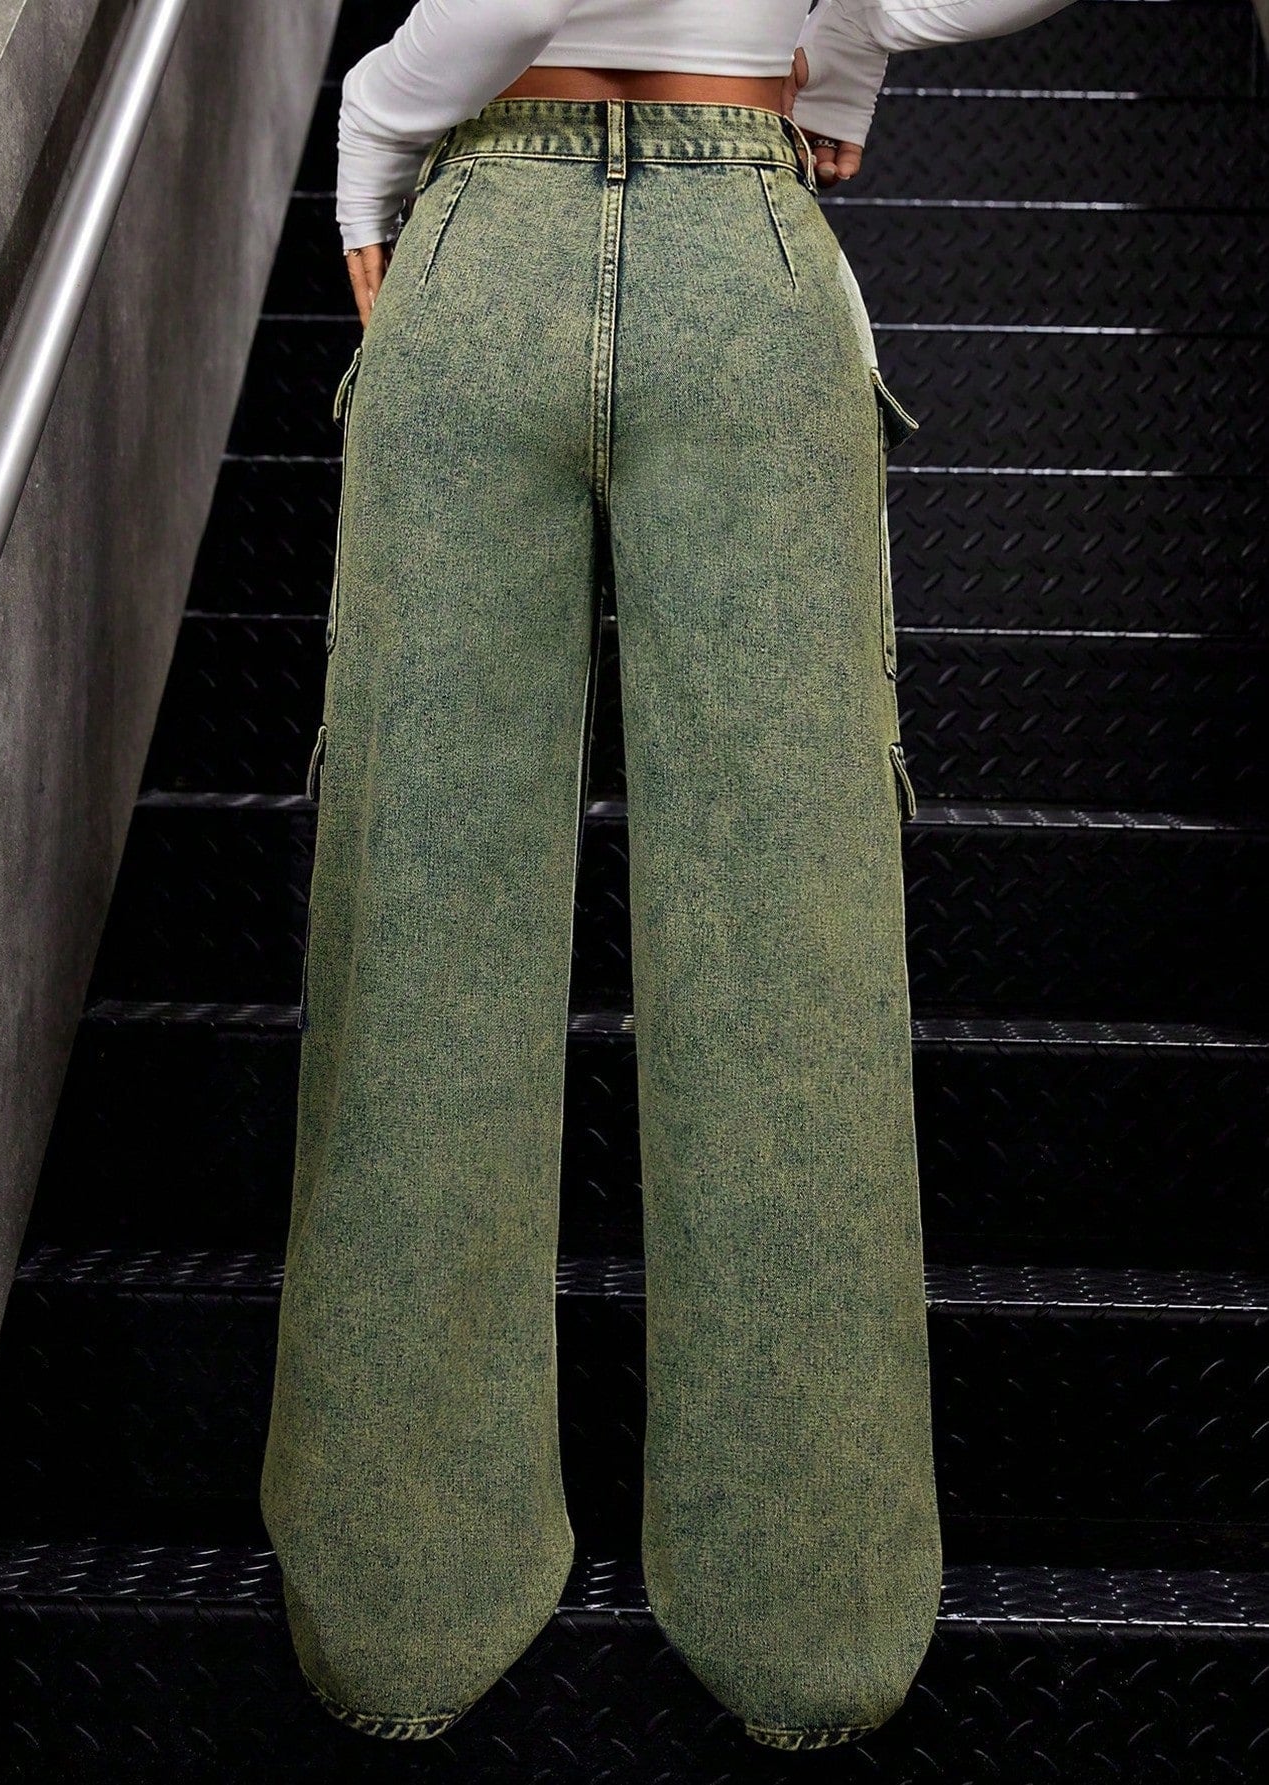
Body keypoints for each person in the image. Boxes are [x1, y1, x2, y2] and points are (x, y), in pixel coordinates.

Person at [260, 0, 1076, 1753]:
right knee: (793, 952)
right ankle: (813, 1614)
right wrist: (845, 41)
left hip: (484, 225)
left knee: (423, 928)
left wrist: (375, 122)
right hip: (748, 249)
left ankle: (397, 1600)